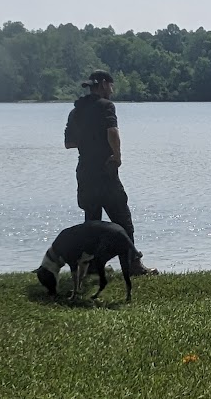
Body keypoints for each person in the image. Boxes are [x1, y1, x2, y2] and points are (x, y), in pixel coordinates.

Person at [64, 70, 152, 272]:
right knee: (122, 221)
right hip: (105, 172)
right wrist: (117, 156)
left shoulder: (76, 111)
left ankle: (92, 266)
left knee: (92, 222)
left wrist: (88, 140)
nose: (112, 90)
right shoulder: (106, 106)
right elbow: (112, 133)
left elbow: (69, 143)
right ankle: (133, 264)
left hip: (85, 173)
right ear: (103, 84)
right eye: (111, 85)